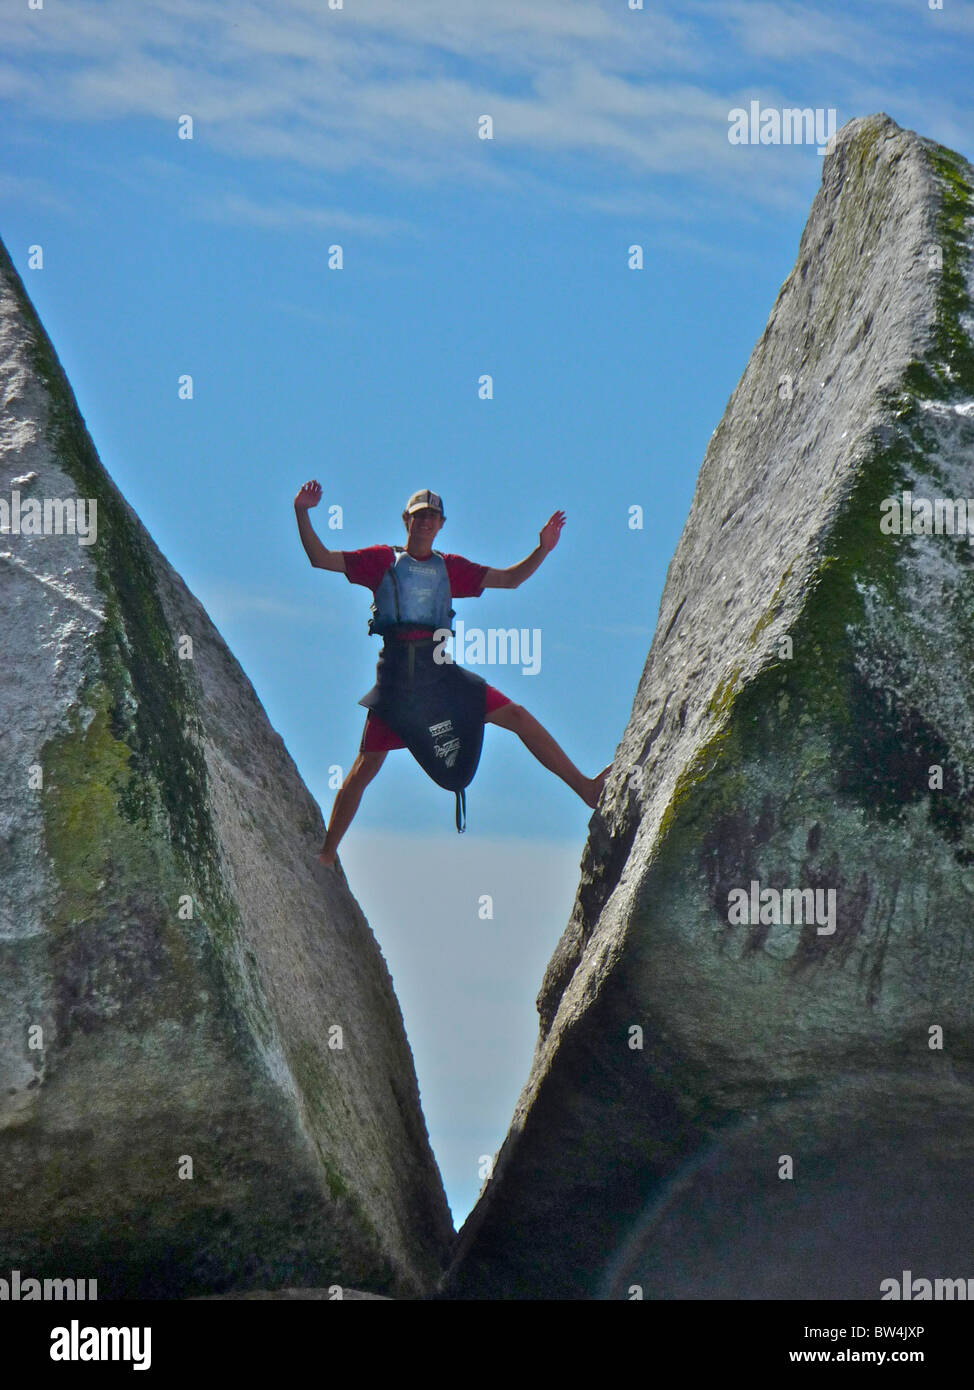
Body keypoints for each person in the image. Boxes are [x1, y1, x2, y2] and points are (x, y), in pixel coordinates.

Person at [293, 482, 611, 866]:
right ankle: (328, 852)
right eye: (419, 515)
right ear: (405, 520)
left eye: (432, 516)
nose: (425, 521)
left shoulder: (451, 568)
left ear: (441, 524)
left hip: (441, 674)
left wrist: (542, 549)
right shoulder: (379, 561)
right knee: (366, 767)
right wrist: (302, 511)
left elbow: (510, 580)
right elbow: (320, 558)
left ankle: (587, 789)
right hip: (398, 682)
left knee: (517, 716)